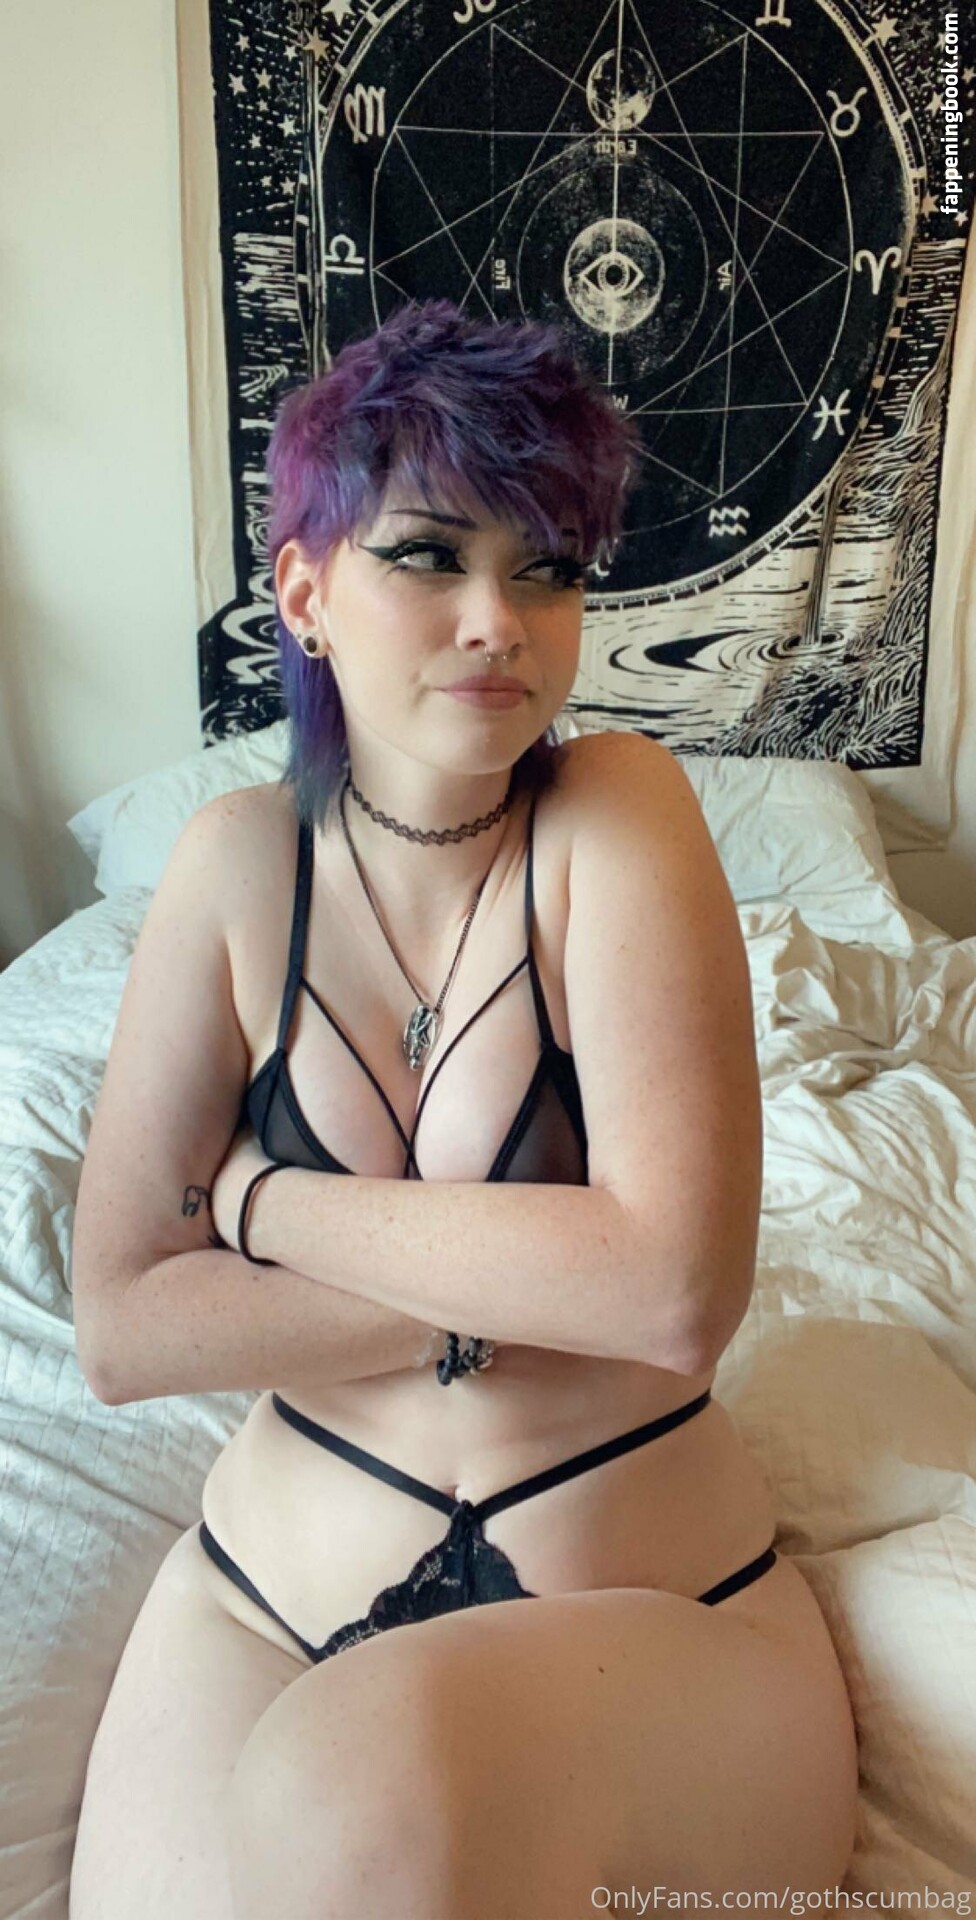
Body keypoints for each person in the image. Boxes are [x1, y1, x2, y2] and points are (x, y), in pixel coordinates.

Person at [68, 299, 858, 1920]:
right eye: (428, 555)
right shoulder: (231, 865)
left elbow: (671, 1295)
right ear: (306, 592)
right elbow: (124, 1325)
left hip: (645, 1616)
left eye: (545, 568)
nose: (499, 620)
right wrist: (533, 1276)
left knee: (355, 1779)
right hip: (260, 1606)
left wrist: (261, 1206)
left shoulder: (618, 812)